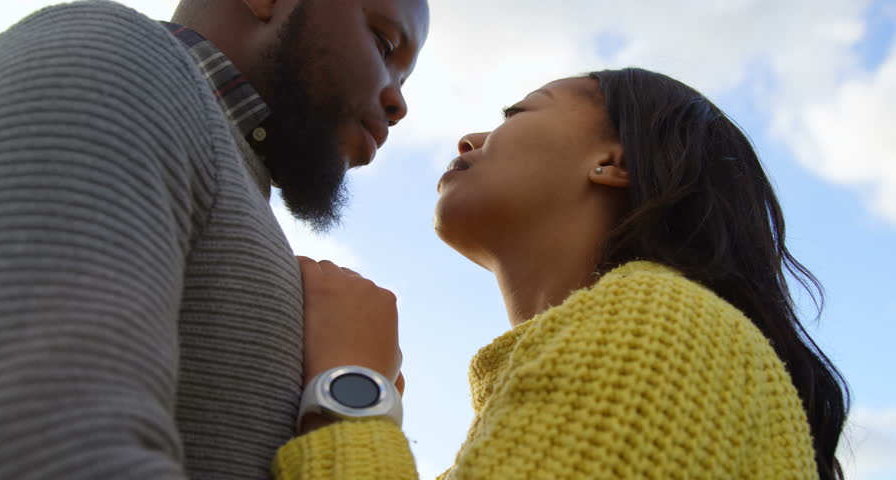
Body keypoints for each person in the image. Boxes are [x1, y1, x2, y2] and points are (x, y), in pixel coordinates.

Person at [291, 69, 850, 479]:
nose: (470, 140)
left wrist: (350, 385)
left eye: (516, 114)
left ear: (612, 162)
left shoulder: (662, 321)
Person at [0, 0, 428, 478]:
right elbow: (40, 444)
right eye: (383, 44)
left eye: (405, 81)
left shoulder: (224, 168)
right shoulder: (124, 61)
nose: (398, 104)